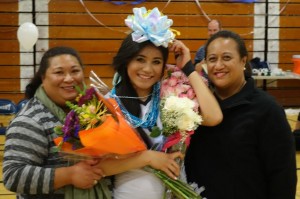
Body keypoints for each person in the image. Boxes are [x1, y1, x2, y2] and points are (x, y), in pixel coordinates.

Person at [100, 8, 223, 199]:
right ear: (126, 61)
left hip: (173, 192)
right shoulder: (108, 104)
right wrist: (148, 158)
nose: (147, 69)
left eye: (156, 62)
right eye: (140, 59)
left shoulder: (172, 95)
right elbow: (100, 167)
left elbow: (214, 117)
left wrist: (188, 68)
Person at [185, 30, 297, 199]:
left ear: (243, 61)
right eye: (212, 59)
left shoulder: (267, 109)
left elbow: (282, 176)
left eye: (227, 57)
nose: (218, 65)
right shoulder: (195, 104)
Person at [2, 46, 106, 198]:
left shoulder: (94, 109)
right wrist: (69, 175)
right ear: (43, 78)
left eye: (75, 71)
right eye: (59, 72)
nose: (69, 78)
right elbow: (14, 176)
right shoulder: (30, 119)